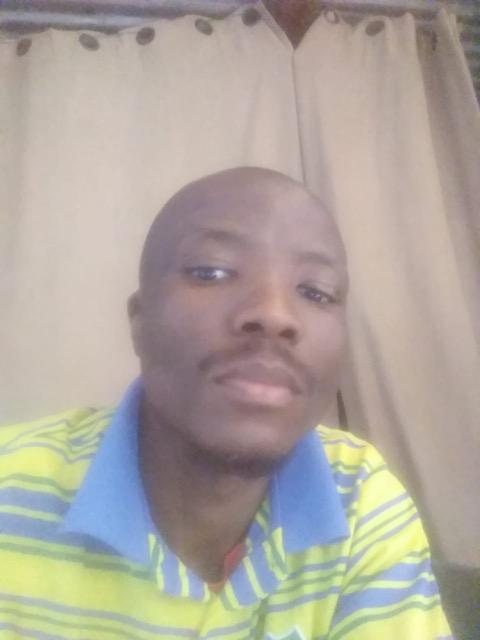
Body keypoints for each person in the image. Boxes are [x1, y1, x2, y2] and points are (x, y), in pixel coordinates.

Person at [0, 167, 452, 639]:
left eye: (315, 292)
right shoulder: (10, 492)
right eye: (211, 272)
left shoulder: (360, 500)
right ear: (140, 322)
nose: (275, 314)